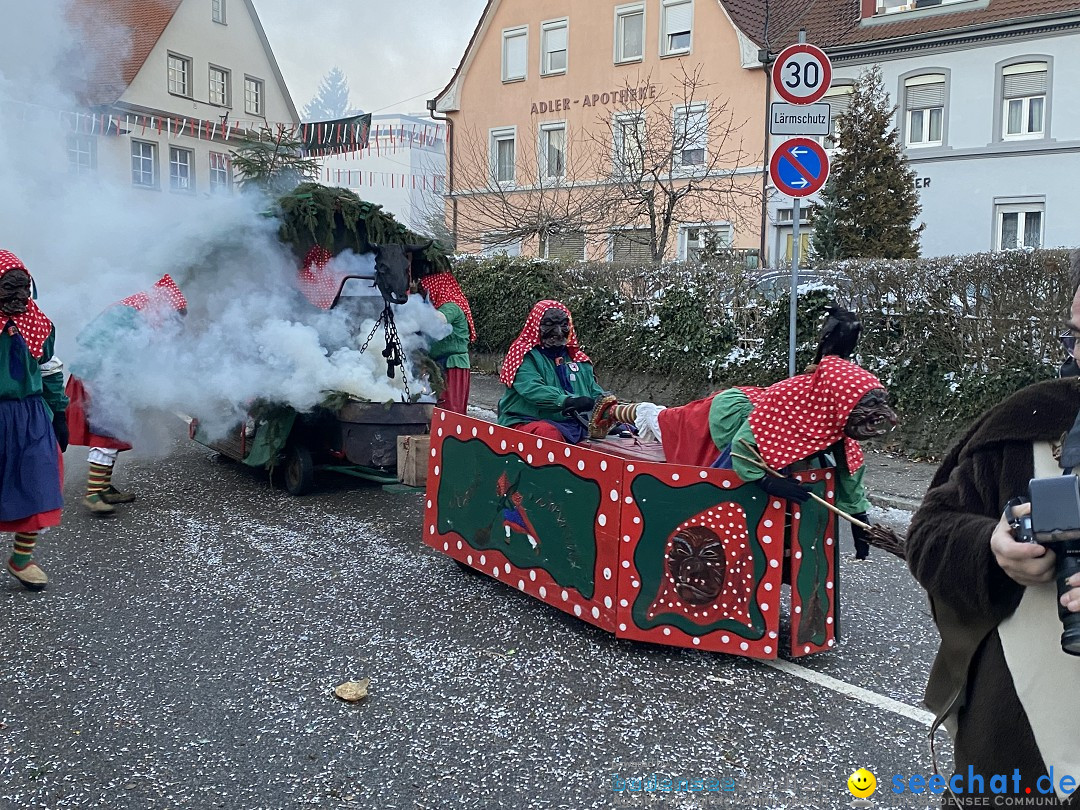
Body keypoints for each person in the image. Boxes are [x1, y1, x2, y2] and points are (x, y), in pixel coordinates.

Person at [906, 261, 1080, 806]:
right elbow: (929, 534)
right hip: (1014, 757)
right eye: (1078, 336)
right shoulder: (1029, 423)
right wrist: (990, 547)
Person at [609, 355, 898, 556]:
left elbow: (848, 465)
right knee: (667, 422)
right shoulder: (786, 400)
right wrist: (766, 481)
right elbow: (744, 447)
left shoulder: (833, 412)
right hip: (725, 417)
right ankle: (614, 409)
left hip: (755, 418)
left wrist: (859, 516)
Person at [65, 275, 187, 516]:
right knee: (107, 433)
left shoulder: (136, 310)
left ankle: (103, 488)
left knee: (115, 433)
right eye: (176, 315)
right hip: (101, 378)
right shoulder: (132, 316)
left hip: (107, 376)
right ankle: (92, 494)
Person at [0, 250, 67, 590]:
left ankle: (21, 559)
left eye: (21, 288)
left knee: (39, 485)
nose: (17, 296)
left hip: (31, 414)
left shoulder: (39, 322)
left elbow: (49, 369)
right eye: (9, 288)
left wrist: (60, 413)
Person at [497, 300, 608, 444]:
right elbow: (532, 389)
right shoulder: (523, 355)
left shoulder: (579, 360)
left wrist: (611, 409)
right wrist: (566, 401)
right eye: (549, 325)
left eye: (563, 325)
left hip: (575, 423)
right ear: (537, 326)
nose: (558, 331)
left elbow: (595, 392)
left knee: (624, 432)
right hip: (528, 420)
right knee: (547, 434)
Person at [419, 271, 474, 414]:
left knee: (450, 409)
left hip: (452, 365)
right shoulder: (447, 305)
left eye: (427, 292)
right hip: (443, 365)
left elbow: (438, 320)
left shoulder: (451, 306)